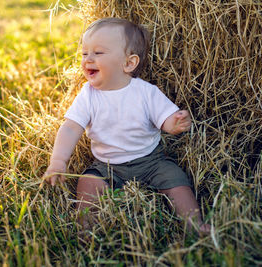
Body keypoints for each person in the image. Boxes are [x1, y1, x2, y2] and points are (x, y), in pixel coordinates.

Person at [43, 17, 210, 234]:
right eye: (85, 53)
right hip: (107, 165)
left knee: (176, 180)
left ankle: (193, 224)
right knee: (87, 182)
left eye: (98, 53)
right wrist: (58, 161)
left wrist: (175, 123)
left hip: (151, 161)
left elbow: (165, 119)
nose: (88, 59)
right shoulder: (88, 95)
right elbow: (71, 127)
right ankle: (85, 228)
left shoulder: (145, 92)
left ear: (129, 63)